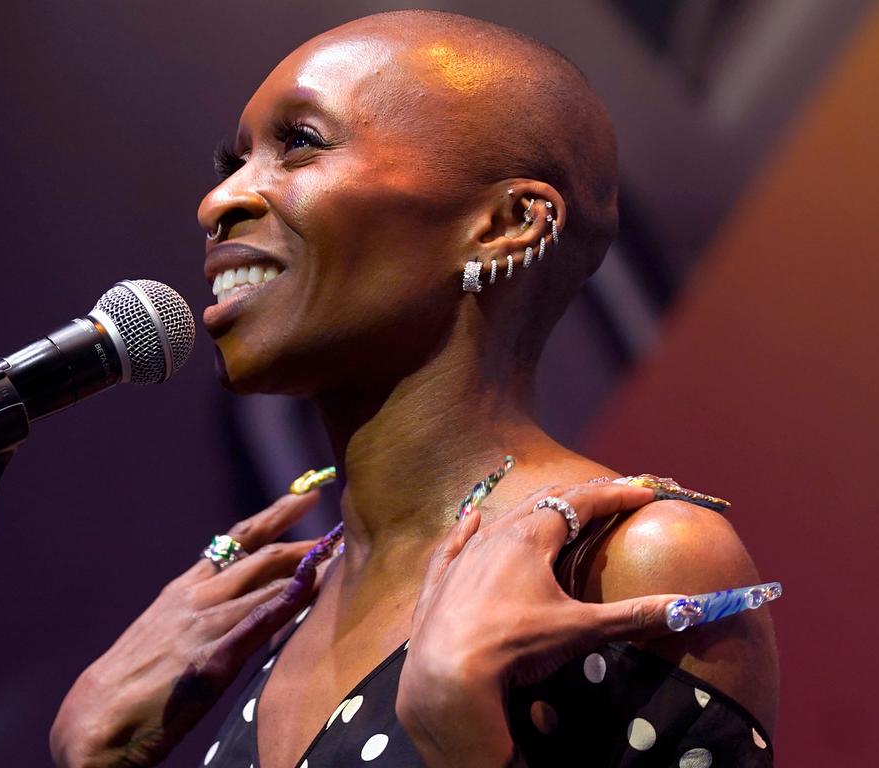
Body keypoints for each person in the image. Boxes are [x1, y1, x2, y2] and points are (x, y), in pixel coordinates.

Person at [50, 10, 779, 768]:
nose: (219, 201)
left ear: (507, 223)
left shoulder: (625, 563)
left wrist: (465, 743)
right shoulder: (301, 603)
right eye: (231, 162)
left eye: (299, 143)